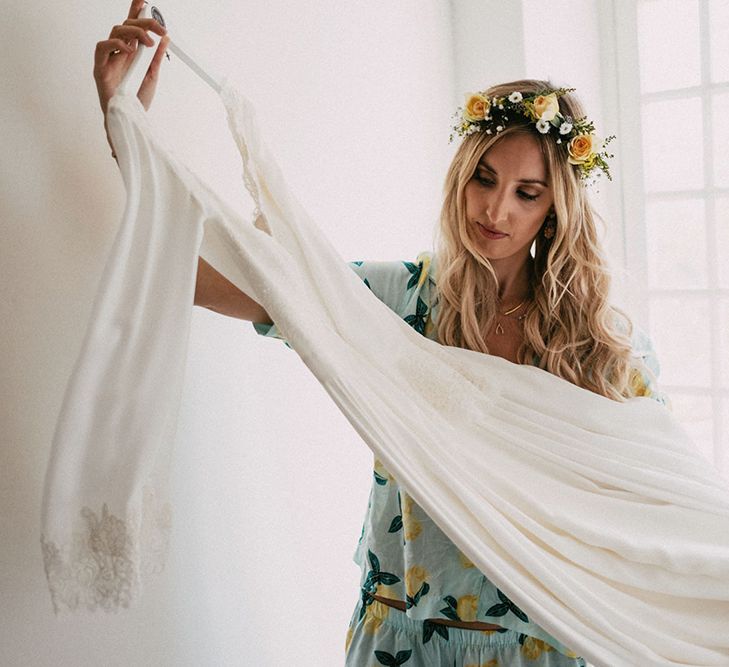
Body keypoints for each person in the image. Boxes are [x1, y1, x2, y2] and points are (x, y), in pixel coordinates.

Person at [95, 3, 669, 665]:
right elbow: (198, 276)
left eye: (526, 192)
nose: (495, 207)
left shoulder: (602, 346)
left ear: (556, 207)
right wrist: (123, 125)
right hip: (403, 640)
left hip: (545, 646)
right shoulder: (399, 300)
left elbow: (655, 517)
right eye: (484, 177)